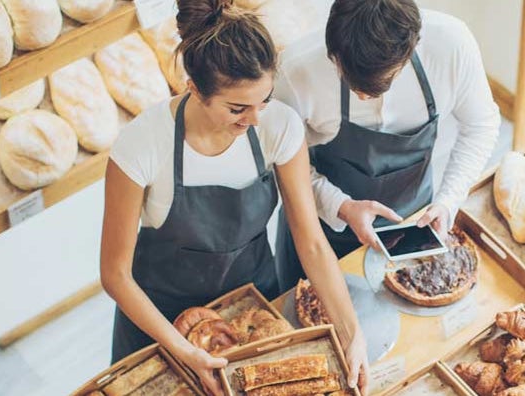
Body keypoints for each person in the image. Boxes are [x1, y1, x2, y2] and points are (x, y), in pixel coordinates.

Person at [99, 1, 367, 394]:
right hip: (160, 319)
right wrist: (182, 351)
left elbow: (310, 242)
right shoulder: (141, 146)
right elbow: (115, 275)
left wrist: (351, 332)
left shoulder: (279, 127)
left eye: (265, 101)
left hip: (251, 307)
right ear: (193, 89)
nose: (255, 118)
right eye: (238, 108)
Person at [273, 0, 500, 282]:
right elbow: (282, 166)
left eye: (384, 81)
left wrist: (448, 200)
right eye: (349, 78)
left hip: (414, 226)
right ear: (332, 52)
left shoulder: (451, 46)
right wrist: (341, 206)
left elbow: (481, 126)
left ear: (412, 47)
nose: (363, 98)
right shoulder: (296, 71)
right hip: (321, 233)